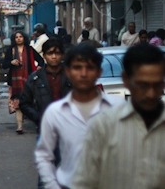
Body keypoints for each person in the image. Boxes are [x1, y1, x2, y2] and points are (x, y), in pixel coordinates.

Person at [72, 44, 165, 189]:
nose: (151, 94)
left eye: (157, 85)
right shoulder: (103, 126)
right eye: (142, 85)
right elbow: (84, 181)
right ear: (126, 80)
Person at [34, 44, 118, 189]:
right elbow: (44, 156)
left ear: (99, 72)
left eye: (90, 68)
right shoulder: (55, 112)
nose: (83, 73)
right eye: (77, 67)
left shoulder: (117, 108)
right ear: (68, 71)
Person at [19, 38, 72, 132]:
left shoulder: (72, 76)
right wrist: (39, 118)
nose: (54, 57)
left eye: (57, 53)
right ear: (44, 56)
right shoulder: (35, 78)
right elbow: (24, 103)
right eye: (50, 53)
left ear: (62, 55)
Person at [4, 31, 42, 134]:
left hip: (28, 81)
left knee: (28, 102)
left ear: (24, 38)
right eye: (16, 37)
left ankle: (37, 122)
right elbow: (4, 65)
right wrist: (11, 62)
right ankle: (19, 126)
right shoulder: (10, 50)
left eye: (21, 37)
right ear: (14, 39)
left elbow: (41, 60)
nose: (19, 39)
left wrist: (38, 68)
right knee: (17, 102)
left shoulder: (30, 50)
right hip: (14, 81)